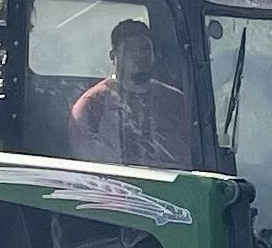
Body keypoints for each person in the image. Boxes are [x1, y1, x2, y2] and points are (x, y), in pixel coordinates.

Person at [69, 19, 190, 166]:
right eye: (130, 49)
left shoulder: (174, 100)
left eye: (144, 49)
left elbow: (190, 153)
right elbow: (85, 161)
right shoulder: (92, 103)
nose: (139, 55)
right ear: (113, 55)